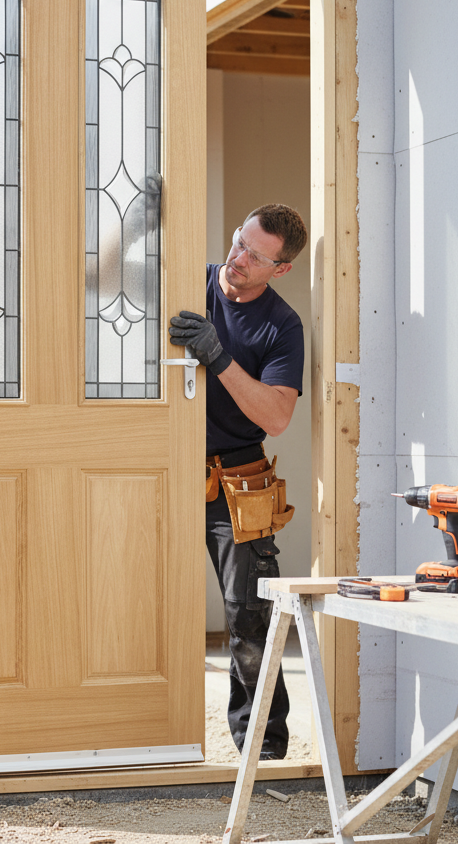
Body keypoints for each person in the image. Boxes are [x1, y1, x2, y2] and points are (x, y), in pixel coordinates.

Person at [169, 203, 308, 760]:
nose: (238, 259)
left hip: (238, 480)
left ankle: (262, 753)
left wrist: (217, 356)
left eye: (255, 254)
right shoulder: (190, 280)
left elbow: (276, 417)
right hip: (165, 465)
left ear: (281, 268)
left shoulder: (282, 324)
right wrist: (139, 225)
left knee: (250, 617)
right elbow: (99, 282)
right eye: (237, 242)